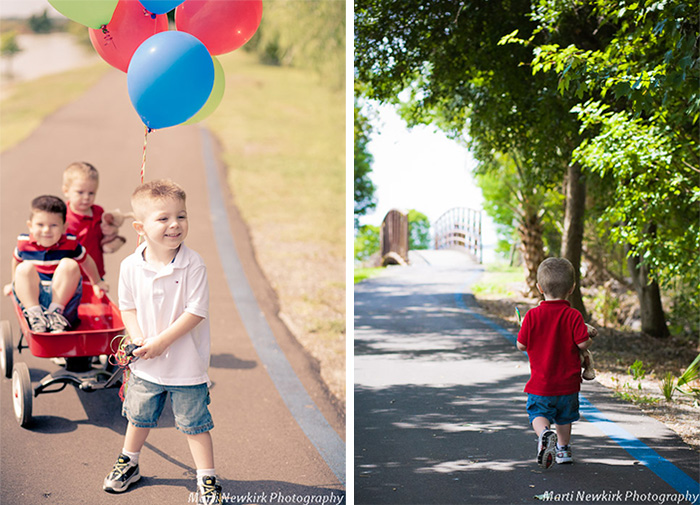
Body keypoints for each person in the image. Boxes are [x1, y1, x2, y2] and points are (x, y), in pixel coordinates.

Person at [102, 179, 222, 505]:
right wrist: (140, 339)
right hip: (146, 364)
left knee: (195, 424)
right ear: (140, 227)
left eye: (181, 216)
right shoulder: (130, 266)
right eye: (163, 218)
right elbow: (126, 306)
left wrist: (161, 343)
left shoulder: (193, 263)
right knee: (138, 417)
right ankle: (130, 461)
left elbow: (195, 312)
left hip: (187, 365)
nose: (175, 224)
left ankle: (207, 478)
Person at [516, 257, 592, 469]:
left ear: (539, 288)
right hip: (568, 385)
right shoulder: (574, 316)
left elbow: (521, 345)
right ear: (572, 289)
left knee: (537, 413)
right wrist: (590, 336)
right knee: (565, 417)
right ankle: (563, 450)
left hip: (542, 384)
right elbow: (583, 343)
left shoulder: (531, 316)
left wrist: (523, 330)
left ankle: (544, 434)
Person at [4, 195, 107, 333]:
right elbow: (16, 262)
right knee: (24, 268)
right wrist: (13, 283)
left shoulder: (70, 244)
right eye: (40, 225)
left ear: (64, 227)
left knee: (69, 265)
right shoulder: (24, 244)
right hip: (33, 298)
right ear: (30, 226)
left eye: (53, 225)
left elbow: (87, 261)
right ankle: (35, 314)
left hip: (64, 302)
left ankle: (55, 314)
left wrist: (97, 282)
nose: (46, 230)